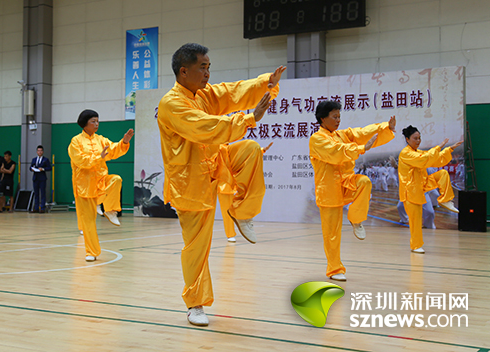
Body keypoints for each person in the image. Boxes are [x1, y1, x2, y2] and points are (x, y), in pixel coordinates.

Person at [156, 42, 284, 327]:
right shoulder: (171, 103)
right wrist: (249, 118)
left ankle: (242, 212)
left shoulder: (204, 94)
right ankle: (195, 304)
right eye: (202, 67)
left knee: (250, 150)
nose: (207, 73)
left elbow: (231, 92)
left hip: (215, 163)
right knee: (197, 246)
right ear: (183, 71)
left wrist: (265, 82)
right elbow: (204, 128)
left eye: (209, 67)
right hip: (189, 182)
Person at [308, 100, 396, 282]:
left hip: (347, 183)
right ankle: (335, 269)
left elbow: (362, 133)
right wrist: (362, 148)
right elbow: (336, 152)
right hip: (329, 191)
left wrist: (385, 128)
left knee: (364, 182)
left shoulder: (343, 135)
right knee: (332, 234)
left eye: (339, 116)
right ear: (323, 118)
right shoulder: (317, 139)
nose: (338, 120)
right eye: (334, 117)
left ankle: (356, 219)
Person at [68, 109, 134, 261]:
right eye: (93, 121)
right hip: (84, 186)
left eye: (98, 121)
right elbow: (81, 161)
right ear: (84, 123)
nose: (97, 124)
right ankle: (91, 252)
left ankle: (110, 210)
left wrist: (124, 142)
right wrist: (99, 157)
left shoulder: (101, 140)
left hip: (100, 180)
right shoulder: (76, 141)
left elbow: (113, 150)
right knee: (88, 222)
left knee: (116, 179)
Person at [398, 125, 462, 254]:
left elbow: (434, 159)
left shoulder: (417, 152)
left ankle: (445, 200)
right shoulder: (406, 153)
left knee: (443, 174)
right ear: (407, 139)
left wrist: (449, 149)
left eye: (419, 138)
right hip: (410, 192)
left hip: (422, 184)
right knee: (416, 221)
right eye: (415, 138)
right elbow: (424, 159)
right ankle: (416, 245)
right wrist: (439, 146)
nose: (418, 141)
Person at [30, 145, 52, 213]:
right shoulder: (34, 159)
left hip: (42, 178)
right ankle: (36, 208)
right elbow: (30, 167)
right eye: (38, 151)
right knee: (36, 193)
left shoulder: (45, 160)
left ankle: (42, 208)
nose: (39, 152)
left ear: (43, 152)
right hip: (35, 178)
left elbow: (49, 168)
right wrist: (32, 169)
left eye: (41, 151)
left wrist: (43, 169)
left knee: (42, 193)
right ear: (37, 152)